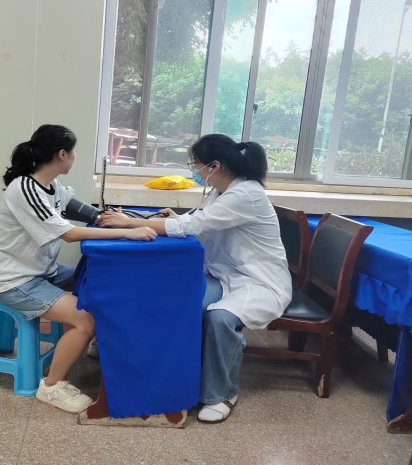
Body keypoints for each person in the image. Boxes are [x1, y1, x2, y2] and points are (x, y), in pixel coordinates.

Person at [99, 134, 292, 423]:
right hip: (224, 276)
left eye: (196, 164)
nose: (195, 171)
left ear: (215, 166)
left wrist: (129, 223)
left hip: (258, 281)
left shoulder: (245, 194)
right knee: (185, 308)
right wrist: (173, 218)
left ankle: (222, 393)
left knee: (220, 318)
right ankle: (177, 378)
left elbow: (194, 225)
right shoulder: (222, 191)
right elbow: (201, 221)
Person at [0, 124, 157, 414]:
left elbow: (79, 209)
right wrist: (128, 232)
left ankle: (93, 342)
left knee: (99, 282)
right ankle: (51, 386)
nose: (76, 156)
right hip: (16, 281)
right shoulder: (25, 189)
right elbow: (67, 233)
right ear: (62, 154)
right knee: (86, 319)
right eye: (74, 151)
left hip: (43, 272)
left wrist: (110, 218)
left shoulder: (51, 186)